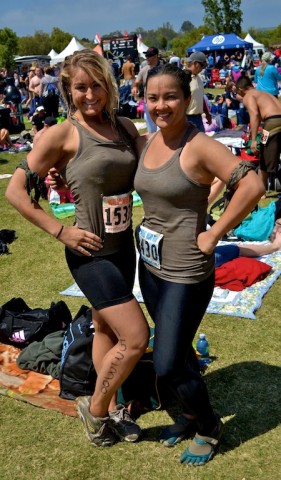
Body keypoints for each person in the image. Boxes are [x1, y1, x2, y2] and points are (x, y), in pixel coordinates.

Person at [5, 49, 149, 447]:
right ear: (68, 90)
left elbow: (149, 170)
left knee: (104, 326)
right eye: (81, 87)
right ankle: (97, 410)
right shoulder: (62, 134)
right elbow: (15, 191)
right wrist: (61, 231)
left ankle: (114, 406)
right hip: (89, 254)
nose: (90, 95)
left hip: (124, 247)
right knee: (136, 337)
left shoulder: (124, 128)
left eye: (97, 86)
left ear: (108, 86)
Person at [133, 63, 264, 466]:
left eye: (170, 96)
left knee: (170, 362)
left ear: (188, 99)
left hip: (186, 271)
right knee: (179, 352)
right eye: (153, 97)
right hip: (151, 265)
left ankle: (209, 426)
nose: (161, 105)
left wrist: (214, 232)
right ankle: (190, 417)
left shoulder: (199, 144)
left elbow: (253, 184)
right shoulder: (149, 141)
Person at [236, 75, 281, 191]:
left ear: (240, 89)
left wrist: (254, 139)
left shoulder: (248, 96)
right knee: (269, 151)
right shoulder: (264, 93)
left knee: (264, 159)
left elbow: (254, 115)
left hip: (272, 124)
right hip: (274, 121)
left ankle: (260, 191)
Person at [131, 46, 160, 133]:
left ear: (156, 56)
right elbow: (136, 82)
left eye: (149, 56)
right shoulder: (144, 70)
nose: (147, 58)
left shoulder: (164, 68)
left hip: (160, 102)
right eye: (146, 56)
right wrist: (135, 87)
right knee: (151, 129)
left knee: (161, 128)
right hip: (148, 103)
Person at [185, 52, 212, 132]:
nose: (203, 68)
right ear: (195, 63)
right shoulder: (183, 77)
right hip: (187, 119)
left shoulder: (199, 78)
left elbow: (201, 97)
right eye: (202, 65)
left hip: (199, 118)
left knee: (202, 143)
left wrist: (207, 114)